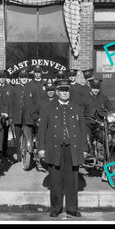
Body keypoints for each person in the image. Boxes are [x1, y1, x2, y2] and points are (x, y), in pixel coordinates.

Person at [37, 79, 87, 218]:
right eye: (62, 90)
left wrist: (84, 148)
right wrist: (41, 148)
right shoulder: (48, 108)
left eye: (67, 90)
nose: (65, 93)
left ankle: (72, 208)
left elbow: (83, 129)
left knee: (72, 180)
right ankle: (56, 208)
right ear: (57, 92)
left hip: (72, 148)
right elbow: (42, 130)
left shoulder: (76, 108)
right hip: (54, 149)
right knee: (55, 179)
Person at [80, 78, 115, 159]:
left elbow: (111, 108)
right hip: (88, 122)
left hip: (100, 122)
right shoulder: (84, 98)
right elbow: (80, 111)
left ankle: (107, 152)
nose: (96, 90)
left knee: (107, 134)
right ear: (90, 87)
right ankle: (90, 152)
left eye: (97, 88)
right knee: (86, 135)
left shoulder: (103, 97)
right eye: (94, 88)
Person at [9, 69, 37, 161]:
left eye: (25, 77)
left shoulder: (32, 88)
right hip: (17, 117)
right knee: (17, 137)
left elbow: (35, 103)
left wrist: (35, 116)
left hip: (28, 118)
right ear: (19, 78)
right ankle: (18, 154)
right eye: (22, 77)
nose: (24, 79)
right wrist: (10, 117)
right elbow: (11, 103)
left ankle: (28, 153)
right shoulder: (14, 88)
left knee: (29, 136)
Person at [0, 70, 13, 157]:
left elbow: (11, 102)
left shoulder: (9, 87)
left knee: (5, 133)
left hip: (7, 114)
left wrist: (9, 115)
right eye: (0, 77)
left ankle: (5, 151)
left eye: (3, 77)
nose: (2, 79)